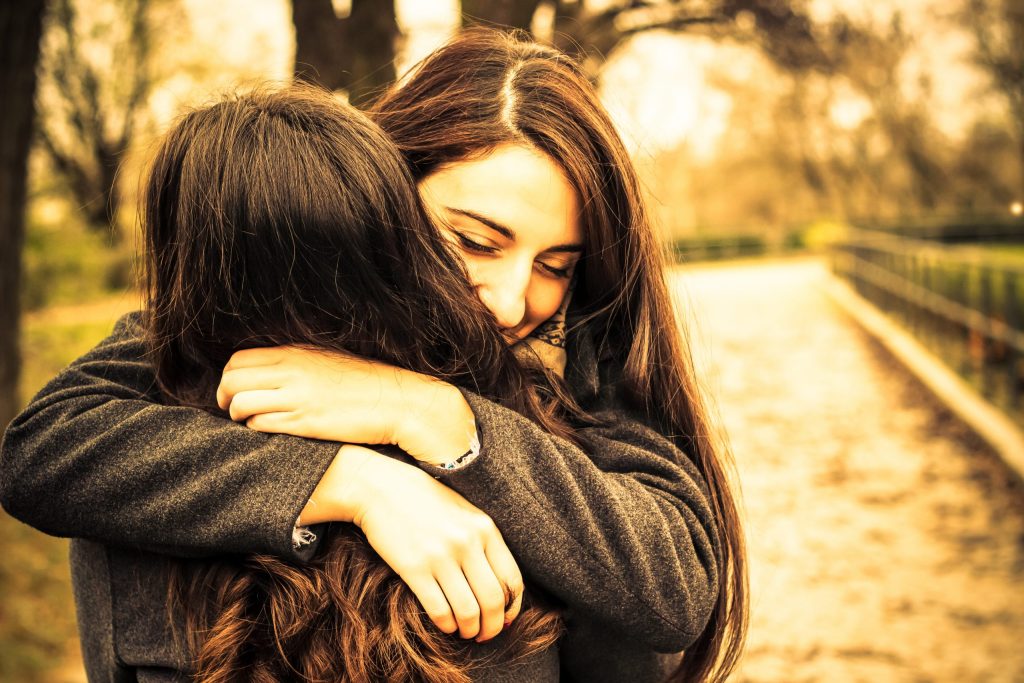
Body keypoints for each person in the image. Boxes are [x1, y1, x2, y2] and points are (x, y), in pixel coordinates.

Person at [1, 28, 747, 683]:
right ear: (384, 192)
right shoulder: (241, 317)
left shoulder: (575, 369)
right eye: (476, 241)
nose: (513, 301)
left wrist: (435, 416)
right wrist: (353, 482)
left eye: (556, 265)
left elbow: (675, 579)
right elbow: (49, 445)